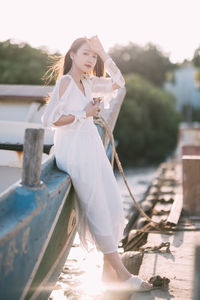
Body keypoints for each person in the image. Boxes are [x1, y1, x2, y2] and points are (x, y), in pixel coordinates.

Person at [41, 35, 153, 292]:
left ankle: (106, 275)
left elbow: (119, 83)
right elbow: (48, 119)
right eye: (86, 54)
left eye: (93, 56)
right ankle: (123, 275)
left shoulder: (88, 83)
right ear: (72, 55)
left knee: (112, 205)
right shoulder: (67, 81)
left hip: (91, 148)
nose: (91, 60)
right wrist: (84, 113)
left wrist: (104, 54)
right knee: (98, 209)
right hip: (74, 152)